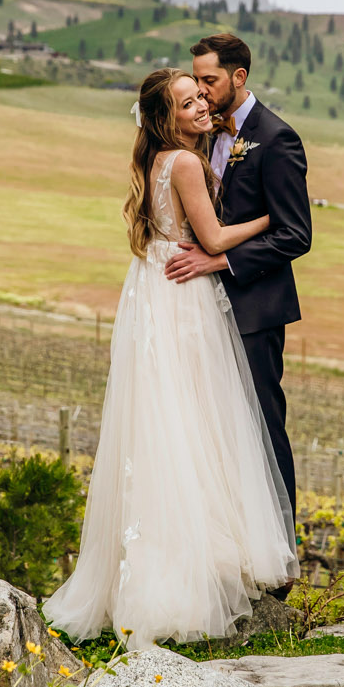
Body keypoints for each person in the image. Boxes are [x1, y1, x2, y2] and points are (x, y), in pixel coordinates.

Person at [43, 68, 300, 647]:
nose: (202, 106)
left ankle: (164, 564)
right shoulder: (185, 163)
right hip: (183, 297)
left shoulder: (159, 157)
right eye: (188, 103)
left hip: (152, 287)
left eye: (200, 95)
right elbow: (212, 240)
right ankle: (194, 569)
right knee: (195, 418)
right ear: (168, 118)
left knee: (164, 421)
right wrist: (269, 219)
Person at [168, 33, 312, 533]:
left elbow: (296, 235)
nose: (203, 94)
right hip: (203, 311)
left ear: (239, 76)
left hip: (255, 309)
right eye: (198, 83)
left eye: (209, 81)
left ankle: (280, 559)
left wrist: (221, 263)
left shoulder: (277, 139)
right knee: (214, 430)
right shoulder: (203, 133)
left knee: (263, 430)